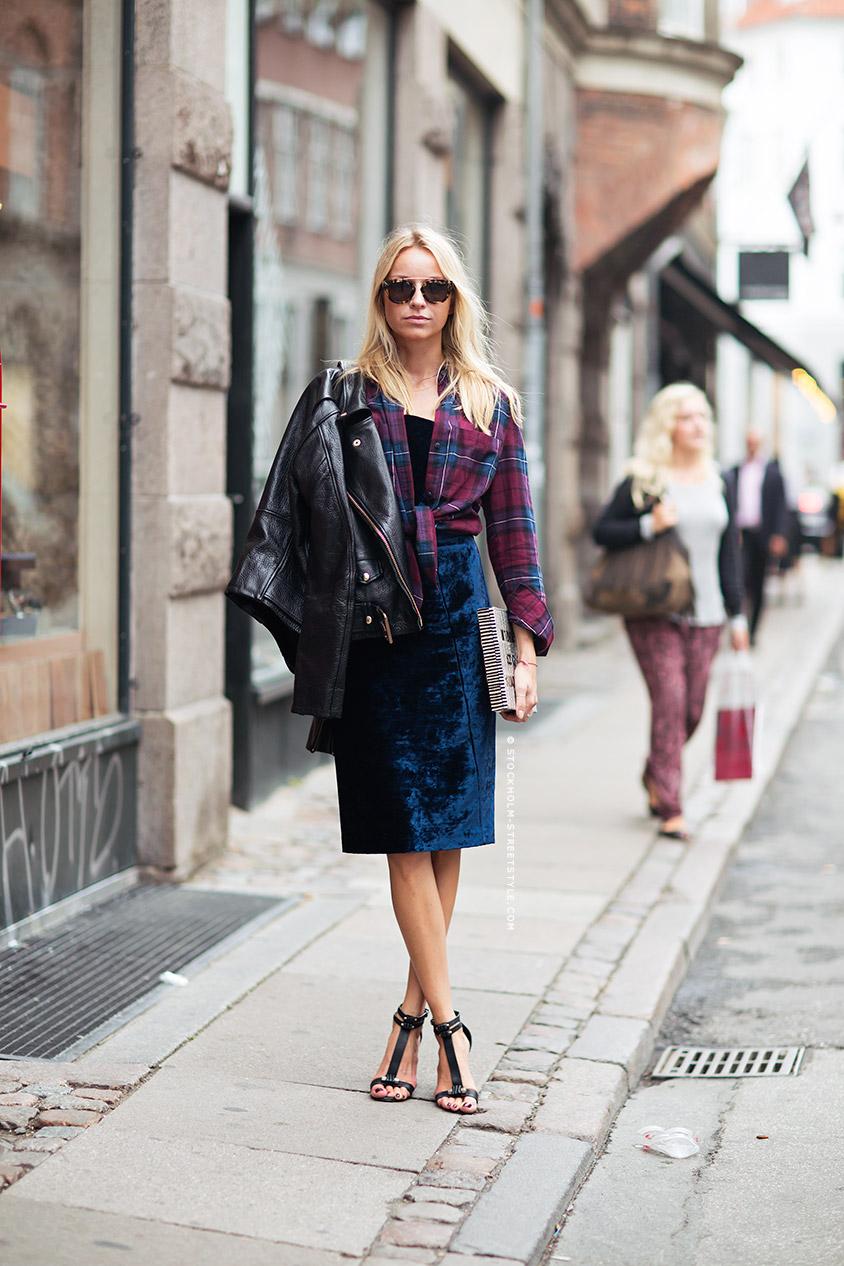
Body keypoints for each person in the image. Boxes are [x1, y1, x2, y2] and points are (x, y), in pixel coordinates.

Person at [228, 224, 553, 1113]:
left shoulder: (490, 403)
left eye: (433, 289)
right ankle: (451, 1029)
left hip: (453, 623)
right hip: (373, 627)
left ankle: (408, 1018)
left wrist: (525, 646)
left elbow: (515, 538)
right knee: (402, 827)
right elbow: (294, 514)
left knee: (444, 829)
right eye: (400, 288)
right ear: (380, 298)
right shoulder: (343, 396)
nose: (416, 303)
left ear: (456, 301)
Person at [593, 383, 748, 842]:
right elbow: (603, 530)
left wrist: (738, 617)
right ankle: (672, 806)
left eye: (702, 416)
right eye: (686, 417)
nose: (697, 425)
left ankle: (655, 771)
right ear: (668, 426)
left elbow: (729, 555)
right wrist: (648, 523)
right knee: (671, 700)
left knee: (693, 709)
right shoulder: (646, 479)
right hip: (654, 610)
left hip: (709, 614)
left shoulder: (721, 480)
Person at [724, 430, 788, 643]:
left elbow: (781, 506)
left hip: (763, 534)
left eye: (755, 443)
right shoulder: (736, 471)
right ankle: (738, 622)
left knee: (758, 582)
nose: (751, 446)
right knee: (739, 579)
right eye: (748, 442)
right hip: (741, 534)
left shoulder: (772, 472)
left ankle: (752, 631)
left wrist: (779, 534)